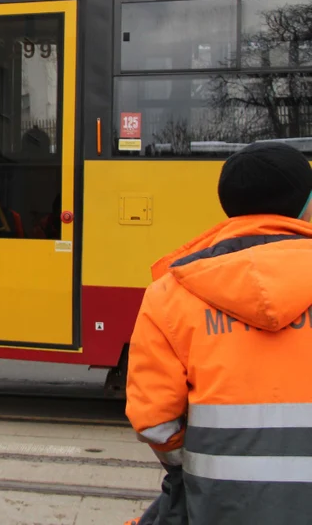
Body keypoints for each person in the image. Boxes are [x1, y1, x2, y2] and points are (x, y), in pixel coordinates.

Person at [125, 141, 312, 525]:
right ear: (304, 203)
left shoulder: (170, 295)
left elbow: (155, 423)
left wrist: (196, 462)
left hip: (219, 504)